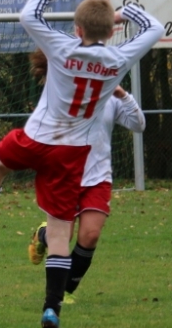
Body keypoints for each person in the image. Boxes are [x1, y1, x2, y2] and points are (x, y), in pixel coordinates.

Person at [0, 0, 165, 328]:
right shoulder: (119, 58)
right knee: (58, 232)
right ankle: (51, 308)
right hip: (71, 154)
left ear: (77, 29)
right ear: (110, 31)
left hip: (36, 139)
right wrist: (125, 12)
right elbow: (156, 27)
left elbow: (29, 15)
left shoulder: (63, 48)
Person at [27, 84, 145, 305]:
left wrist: (123, 95)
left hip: (98, 178)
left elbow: (139, 125)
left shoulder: (111, 95)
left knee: (90, 235)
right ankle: (43, 234)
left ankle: (65, 290)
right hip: (65, 176)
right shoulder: (65, 89)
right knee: (63, 237)